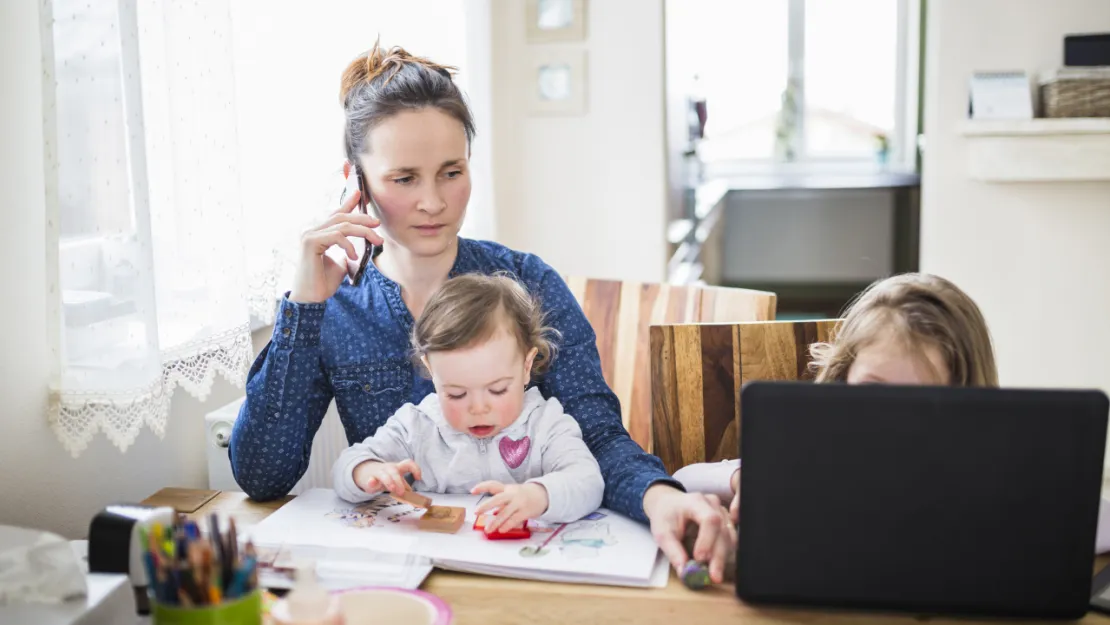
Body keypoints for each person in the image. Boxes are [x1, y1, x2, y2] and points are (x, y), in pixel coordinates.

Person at [229, 42, 733, 581]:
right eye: (404, 178)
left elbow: (596, 434)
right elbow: (263, 475)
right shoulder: (334, 307)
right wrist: (303, 310)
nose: (433, 201)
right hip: (398, 571)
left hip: (526, 563)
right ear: (357, 182)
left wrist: (660, 498)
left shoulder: (526, 282)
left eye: (451, 172)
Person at [674, 273, 999, 524]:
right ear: (843, 377)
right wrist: (742, 479)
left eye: (924, 401)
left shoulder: (984, 476)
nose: (893, 419)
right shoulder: (815, 454)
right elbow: (682, 481)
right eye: (873, 390)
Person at [333, 273, 605, 534]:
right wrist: (368, 472)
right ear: (431, 370)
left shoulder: (546, 423)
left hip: (516, 567)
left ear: (526, 365)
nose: (478, 408)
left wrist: (539, 495)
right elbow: (345, 466)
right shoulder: (416, 425)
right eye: (456, 394)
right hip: (439, 563)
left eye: (497, 390)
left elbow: (588, 481)